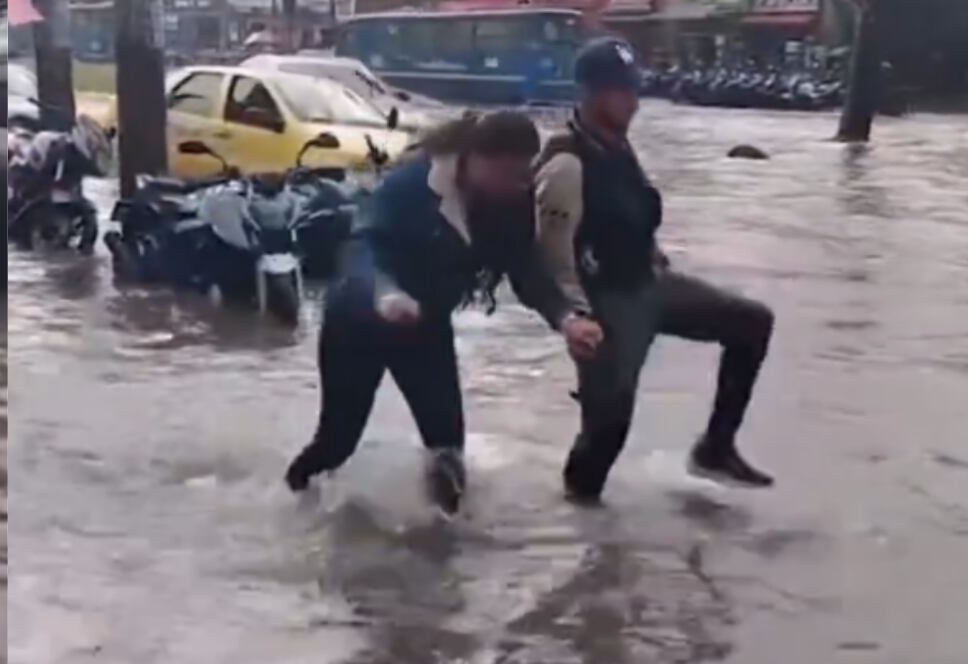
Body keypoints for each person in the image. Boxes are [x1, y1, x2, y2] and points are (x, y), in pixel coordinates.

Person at [285, 112, 605, 514]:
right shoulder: (412, 187)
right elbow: (361, 250)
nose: (517, 185)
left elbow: (525, 268)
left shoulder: (509, 202)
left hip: (424, 327)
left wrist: (567, 319)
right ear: (472, 159)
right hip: (359, 322)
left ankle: (443, 553)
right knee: (336, 443)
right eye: (506, 173)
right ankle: (294, 502)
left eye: (523, 173)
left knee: (447, 451)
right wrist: (387, 294)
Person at [536, 39, 776, 504]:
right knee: (608, 430)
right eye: (621, 92)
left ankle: (715, 448)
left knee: (752, 322)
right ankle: (581, 523)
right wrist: (574, 317)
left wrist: (655, 252)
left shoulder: (618, 146)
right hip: (606, 304)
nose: (633, 101)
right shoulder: (567, 163)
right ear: (591, 94)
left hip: (649, 284)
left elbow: (632, 212)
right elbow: (551, 255)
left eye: (633, 90)